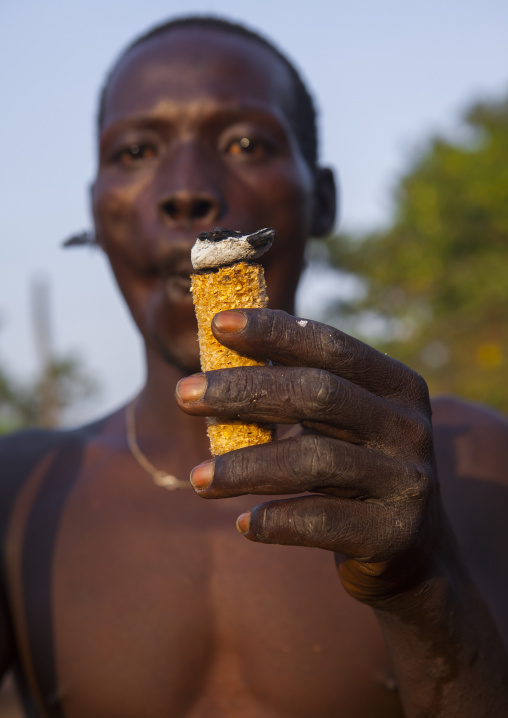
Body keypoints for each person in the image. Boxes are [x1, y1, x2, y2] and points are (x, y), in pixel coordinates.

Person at [1, 15, 508, 717]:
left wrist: (424, 586)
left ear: (321, 198)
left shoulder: (472, 461)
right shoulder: (19, 492)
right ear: (95, 210)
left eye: (246, 142)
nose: (186, 190)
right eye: (136, 150)